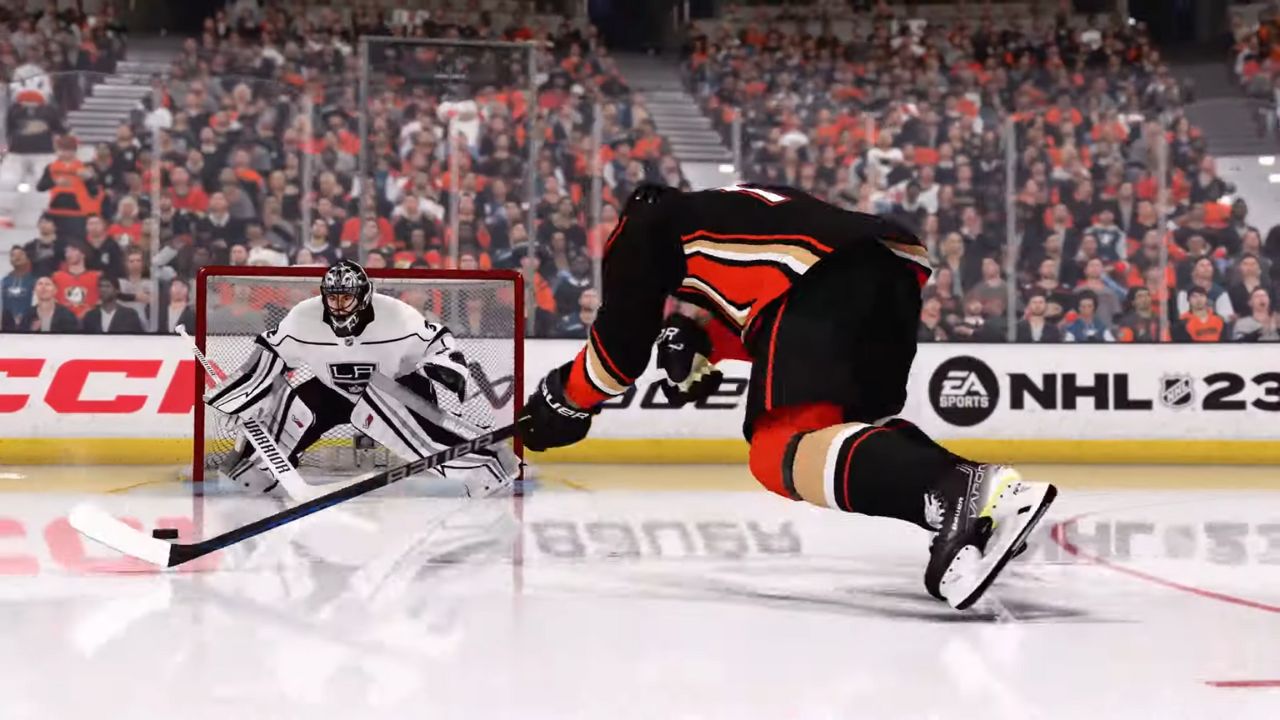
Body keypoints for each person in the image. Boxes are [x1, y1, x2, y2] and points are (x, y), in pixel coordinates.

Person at [519, 184, 1057, 610]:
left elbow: (617, 354)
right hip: (889, 272)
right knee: (839, 438)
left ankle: (960, 488)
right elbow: (757, 289)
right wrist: (702, 340)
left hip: (820, 281)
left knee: (779, 449)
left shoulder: (642, 225)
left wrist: (565, 400)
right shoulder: (729, 208)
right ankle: (977, 507)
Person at [204, 260, 517, 497]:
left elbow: (440, 342)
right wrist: (238, 398)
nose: (339, 306)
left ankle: (485, 464)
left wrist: (444, 367)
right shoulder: (303, 317)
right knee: (295, 404)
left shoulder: (398, 316)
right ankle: (256, 468)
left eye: (346, 298)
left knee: (409, 427)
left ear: (364, 296)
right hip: (332, 390)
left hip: (396, 388)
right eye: (333, 298)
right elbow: (269, 354)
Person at [81, 276, 145, 333]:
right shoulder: (90, 316)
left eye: (107, 286)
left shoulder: (129, 315)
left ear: (117, 290)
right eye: (100, 286)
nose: (103, 289)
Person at [2, 246, 36, 331]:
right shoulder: (4, 281)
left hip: (28, 325)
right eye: (13, 255)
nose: (17, 257)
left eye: (20, 254)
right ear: (10, 260)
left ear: (27, 258)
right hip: (7, 326)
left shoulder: (34, 281)